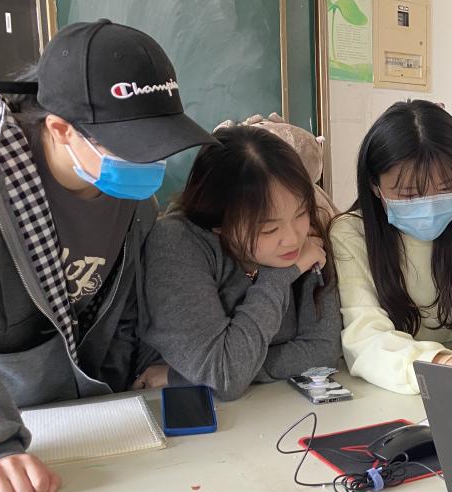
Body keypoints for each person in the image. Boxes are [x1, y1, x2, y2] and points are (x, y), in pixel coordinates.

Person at [0, 19, 215, 492]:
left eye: (157, 143)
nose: (148, 163)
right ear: (60, 128)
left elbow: (123, 308)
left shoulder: (131, 194)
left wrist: (131, 386)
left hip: (100, 420)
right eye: (131, 146)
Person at [329, 100, 452, 394]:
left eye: (446, 188)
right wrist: (443, 364)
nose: (429, 204)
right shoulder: (352, 234)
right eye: (409, 193)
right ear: (374, 185)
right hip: (393, 387)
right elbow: (365, 336)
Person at [139, 125, 340, 400]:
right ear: (218, 224)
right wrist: (279, 277)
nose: (294, 238)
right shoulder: (177, 243)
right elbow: (225, 375)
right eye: (269, 229)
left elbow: (323, 351)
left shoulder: (310, 237)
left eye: (301, 213)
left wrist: (184, 376)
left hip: (275, 406)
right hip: (177, 409)